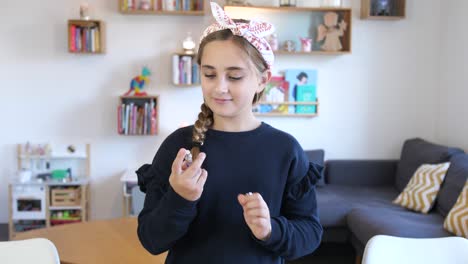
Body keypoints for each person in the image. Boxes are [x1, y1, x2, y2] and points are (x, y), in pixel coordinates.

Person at [136, 2, 323, 263]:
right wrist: (180, 199)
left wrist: (271, 229)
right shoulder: (178, 146)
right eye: (209, 74)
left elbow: (310, 234)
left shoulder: (285, 150)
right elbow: (151, 240)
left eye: (234, 77)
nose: (219, 88)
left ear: (262, 79)